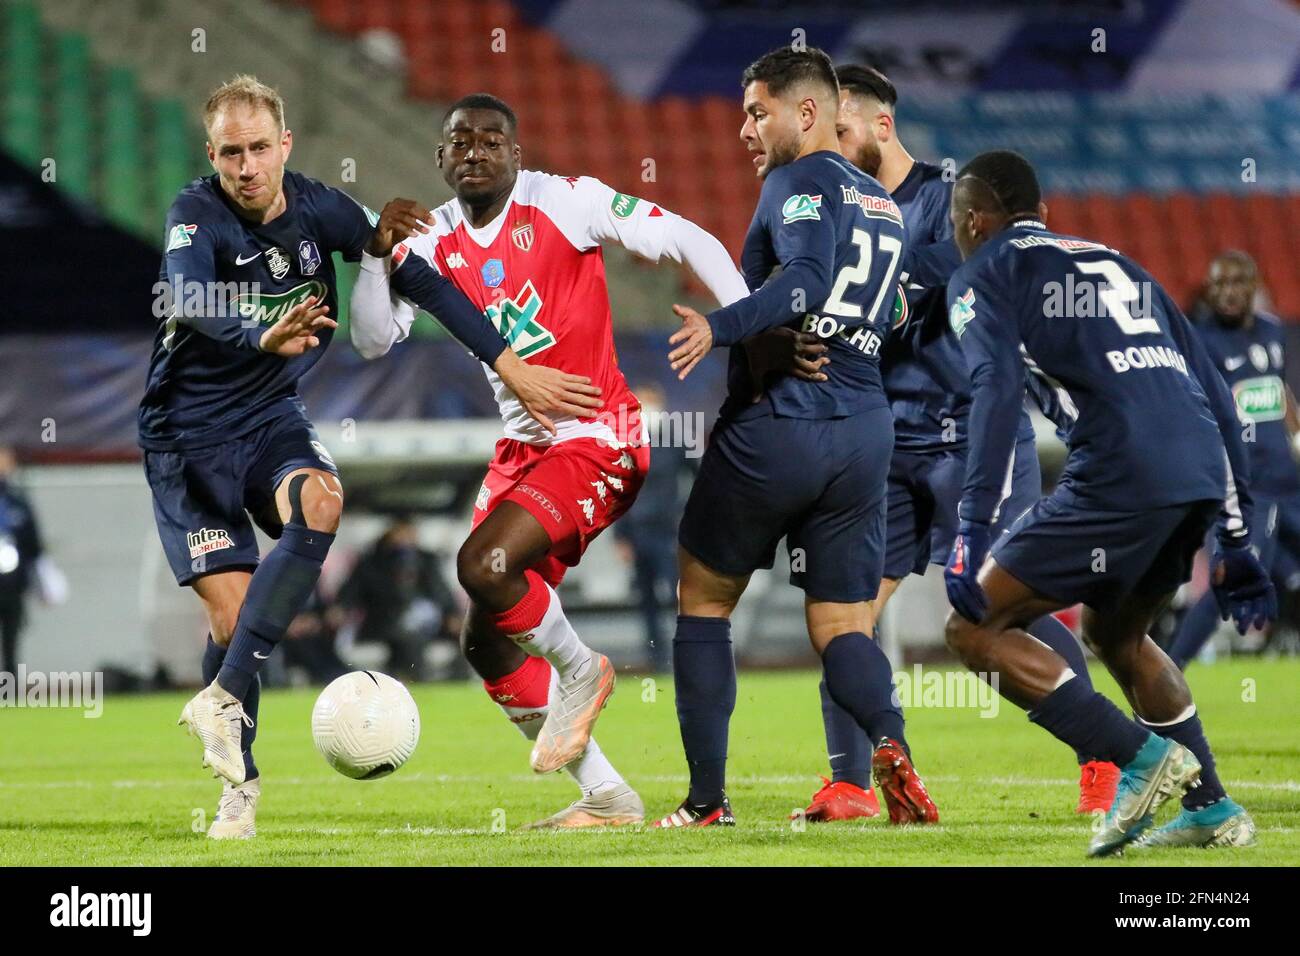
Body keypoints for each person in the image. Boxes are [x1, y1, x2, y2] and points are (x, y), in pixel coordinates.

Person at [143, 75, 593, 840]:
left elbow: (418, 276)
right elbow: (188, 297)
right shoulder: (195, 213)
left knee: (321, 499)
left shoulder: (322, 208)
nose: (246, 167)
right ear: (211, 154)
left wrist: (508, 359)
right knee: (231, 619)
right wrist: (261, 330)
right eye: (230, 154)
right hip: (187, 439)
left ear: (285, 144)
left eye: (259, 149)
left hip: (269, 418)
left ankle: (219, 698)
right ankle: (239, 789)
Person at [349, 93, 749, 828]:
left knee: (482, 567)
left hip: (600, 434)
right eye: (458, 140)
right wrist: (376, 259)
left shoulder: (567, 202)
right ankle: (606, 796)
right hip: (523, 452)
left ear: (517, 154)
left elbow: (691, 237)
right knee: (484, 640)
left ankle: (579, 667)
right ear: (440, 159)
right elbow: (373, 340)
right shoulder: (429, 238)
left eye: (491, 139)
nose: (474, 150)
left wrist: (743, 323)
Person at [762, 65, 1114, 821]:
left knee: (1007, 607)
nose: (831, 145)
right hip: (887, 444)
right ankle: (856, 783)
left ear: (880, 127)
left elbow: (978, 285)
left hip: (972, 440)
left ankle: (1105, 756)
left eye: (843, 131)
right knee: (843, 612)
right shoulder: (827, 209)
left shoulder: (952, 203)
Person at [941, 149, 1270, 854]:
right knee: (1116, 633)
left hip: (1121, 467)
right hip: (1194, 472)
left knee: (973, 627)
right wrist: (1237, 538)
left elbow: (995, 394)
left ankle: (1140, 758)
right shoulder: (1120, 260)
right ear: (1044, 214)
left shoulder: (983, 273)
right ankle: (1210, 806)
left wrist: (971, 527)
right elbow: (1215, 390)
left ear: (973, 221)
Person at [658, 47, 937, 828]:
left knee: (704, 601)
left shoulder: (798, 179)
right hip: (865, 430)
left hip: (782, 422)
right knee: (842, 625)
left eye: (757, 112)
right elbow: (896, 315)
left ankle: (707, 803)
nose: (745, 130)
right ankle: (892, 744)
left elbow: (807, 278)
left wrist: (723, 329)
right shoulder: (883, 203)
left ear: (805, 113)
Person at [1167, 251, 1300, 668]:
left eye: (1237, 282)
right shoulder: (1198, 341)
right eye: (1219, 284)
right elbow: (1189, 412)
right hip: (1244, 491)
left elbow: (1280, 395)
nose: (1228, 292)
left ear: (1254, 285)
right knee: (1232, 577)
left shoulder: (1275, 332)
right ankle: (1165, 676)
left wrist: (1296, 436)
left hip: (1290, 484)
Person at [613, 383, 692, 672]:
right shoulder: (627, 444)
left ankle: (683, 650)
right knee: (646, 599)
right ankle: (657, 657)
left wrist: (685, 512)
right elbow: (619, 491)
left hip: (667, 532)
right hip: (637, 532)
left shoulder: (674, 441)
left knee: (675, 594)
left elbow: (698, 475)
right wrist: (620, 536)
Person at [337, 517, 462, 680]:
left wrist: (452, 614)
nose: (405, 539)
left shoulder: (426, 561)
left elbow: (441, 591)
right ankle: (415, 680)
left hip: (428, 623)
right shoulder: (372, 562)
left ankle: (459, 679)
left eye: (409, 534)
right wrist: (341, 608)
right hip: (386, 622)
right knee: (407, 639)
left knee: (466, 635)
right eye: (401, 534)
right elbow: (350, 591)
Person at [0, 447, 45, 674]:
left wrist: (40, 583)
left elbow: (34, 544)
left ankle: (8, 688)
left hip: (12, 583)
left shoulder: (17, 502)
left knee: (11, 636)